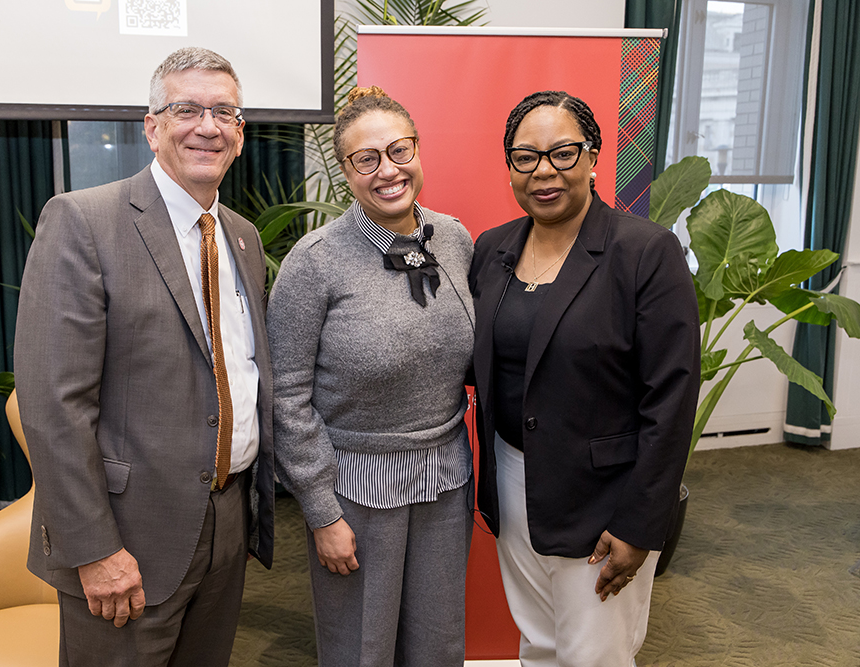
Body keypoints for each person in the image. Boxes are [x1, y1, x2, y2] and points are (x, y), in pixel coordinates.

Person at [14, 46, 274, 667]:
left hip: (226, 522)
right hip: (127, 538)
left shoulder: (242, 236)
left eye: (224, 113)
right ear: (152, 127)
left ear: (240, 135)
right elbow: (54, 406)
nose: (207, 127)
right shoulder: (83, 222)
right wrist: (94, 549)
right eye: (187, 109)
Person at [468, 90, 700, 667]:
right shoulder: (493, 248)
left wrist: (641, 523)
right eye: (526, 157)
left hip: (604, 503)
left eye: (563, 153)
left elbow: (670, 400)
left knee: (594, 656)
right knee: (539, 644)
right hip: (514, 481)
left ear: (593, 157)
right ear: (511, 168)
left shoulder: (644, 252)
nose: (544, 171)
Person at [267, 86, 476, 666]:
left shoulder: (454, 239)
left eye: (400, 150)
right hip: (354, 489)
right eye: (367, 159)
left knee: (436, 645)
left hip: (444, 478)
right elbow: (286, 396)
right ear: (347, 172)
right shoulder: (314, 262)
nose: (389, 170)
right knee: (362, 649)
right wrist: (321, 511)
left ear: (417, 150)